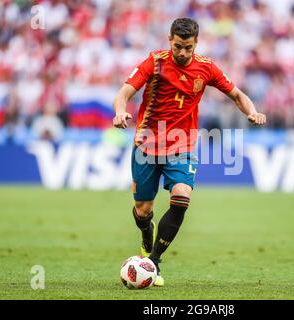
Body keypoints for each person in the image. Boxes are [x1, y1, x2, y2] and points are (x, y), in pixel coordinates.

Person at [113, 17, 266, 286]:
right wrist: (120, 112)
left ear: (196, 43)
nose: (183, 53)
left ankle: (154, 262)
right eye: (178, 47)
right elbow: (124, 92)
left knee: (182, 197)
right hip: (146, 144)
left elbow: (237, 95)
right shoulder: (155, 61)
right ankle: (146, 238)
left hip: (181, 145)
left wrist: (252, 112)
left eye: (188, 47)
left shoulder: (206, 68)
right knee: (143, 210)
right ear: (169, 40)